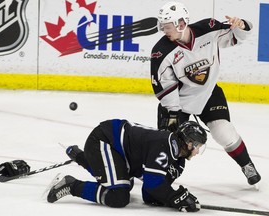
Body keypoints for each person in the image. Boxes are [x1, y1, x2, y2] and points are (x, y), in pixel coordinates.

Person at [150, 1, 261, 186]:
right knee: (170, 144)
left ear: (181, 24)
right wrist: (174, 114)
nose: (164, 30)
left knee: (223, 132)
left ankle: (247, 165)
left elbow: (236, 37)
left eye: (167, 26)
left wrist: (241, 24)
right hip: (179, 101)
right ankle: (155, 177)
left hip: (208, 93)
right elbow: (164, 86)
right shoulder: (161, 51)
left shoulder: (208, 29)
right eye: (162, 26)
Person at [46, 119, 207, 212]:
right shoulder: (164, 146)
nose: (198, 151)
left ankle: (80, 157)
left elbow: (149, 194)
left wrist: (174, 198)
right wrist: (174, 198)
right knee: (118, 197)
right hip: (104, 141)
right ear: (189, 143)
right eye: (198, 146)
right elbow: (152, 184)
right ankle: (71, 185)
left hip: (119, 154)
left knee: (125, 184)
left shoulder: (178, 162)